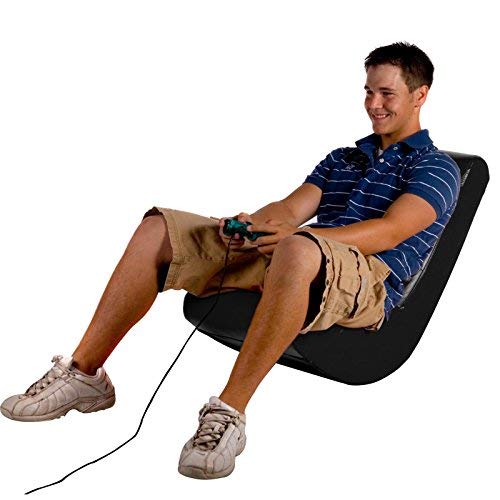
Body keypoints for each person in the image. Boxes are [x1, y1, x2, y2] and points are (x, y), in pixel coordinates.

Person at [1, 41, 461, 480]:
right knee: (159, 227)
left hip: (369, 285)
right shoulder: (345, 158)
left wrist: (300, 238)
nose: (374, 104)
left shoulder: (435, 167)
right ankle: (85, 374)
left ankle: (228, 414)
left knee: (298, 247)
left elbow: (390, 231)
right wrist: (252, 225)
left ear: (419, 96)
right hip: (304, 258)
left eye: (387, 93)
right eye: (368, 91)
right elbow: (290, 209)